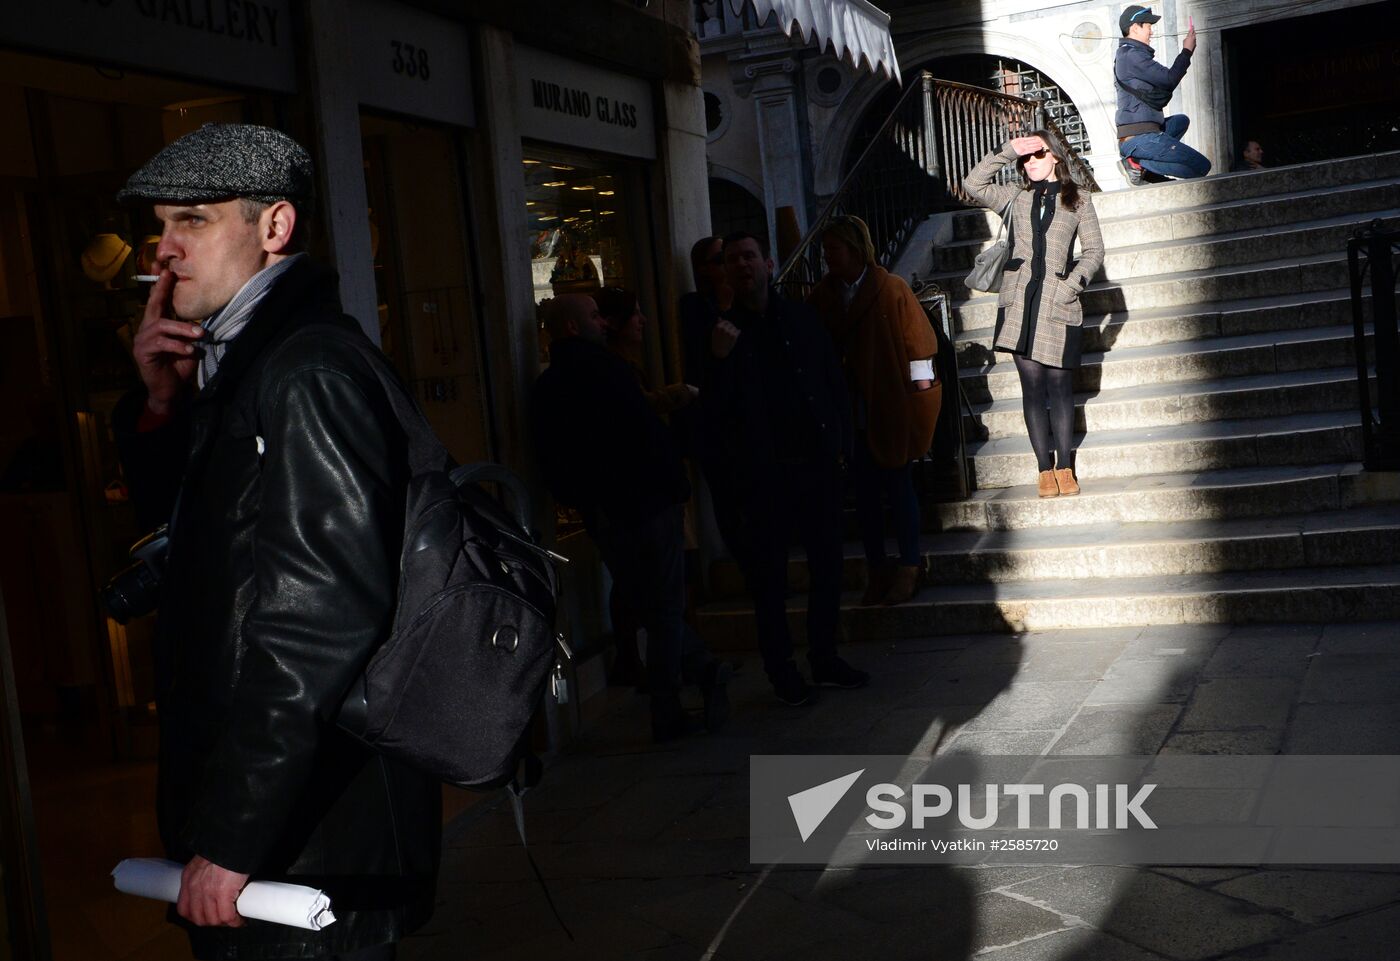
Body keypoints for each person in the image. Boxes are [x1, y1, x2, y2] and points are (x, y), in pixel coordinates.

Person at [111, 124, 439, 960]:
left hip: (303, 844)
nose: (165, 251)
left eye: (192, 220)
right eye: (160, 226)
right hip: (276, 823)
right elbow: (205, 554)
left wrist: (231, 836)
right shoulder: (242, 366)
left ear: (274, 227)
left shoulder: (306, 371)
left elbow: (317, 620)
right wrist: (158, 409)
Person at [530, 293, 728, 741]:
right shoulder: (608, 371)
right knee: (663, 606)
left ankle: (698, 674)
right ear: (574, 328)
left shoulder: (549, 386)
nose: (605, 322)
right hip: (646, 504)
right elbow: (647, 436)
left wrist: (582, 501)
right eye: (595, 316)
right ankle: (677, 696)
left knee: (649, 603)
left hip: (604, 514)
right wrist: (675, 489)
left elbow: (552, 457)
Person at [704, 231, 868, 706]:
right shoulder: (719, 333)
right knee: (769, 584)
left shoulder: (799, 316)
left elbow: (831, 380)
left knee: (828, 569)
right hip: (761, 479)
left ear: (770, 264)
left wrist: (841, 445)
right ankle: (782, 672)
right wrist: (717, 360)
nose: (742, 265)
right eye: (732, 259)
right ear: (725, 272)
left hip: (814, 467)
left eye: (749, 256)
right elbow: (709, 411)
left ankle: (825, 657)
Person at [963, 132, 1106, 498]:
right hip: (1020, 307)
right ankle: (1044, 469)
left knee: (1060, 387)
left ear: (1055, 156)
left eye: (1037, 154)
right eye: (1025, 159)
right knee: (1032, 389)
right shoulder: (1015, 197)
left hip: (1058, 303)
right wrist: (1009, 150)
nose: (1030, 163)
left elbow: (1093, 250)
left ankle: (1064, 466)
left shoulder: (1079, 200)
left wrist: (1072, 284)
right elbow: (973, 183)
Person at [808, 215, 941, 607]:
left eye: (833, 249)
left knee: (899, 488)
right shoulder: (822, 297)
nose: (827, 257)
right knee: (864, 497)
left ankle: (910, 565)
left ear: (852, 248)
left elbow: (919, 347)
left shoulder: (891, 289)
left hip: (890, 404)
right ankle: (878, 569)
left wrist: (921, 401)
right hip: (848, 410)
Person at [1114, 4, 1210, 185]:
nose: (1151, 32)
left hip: (1147, 130)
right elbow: (1169, 79)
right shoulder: (1132, 55)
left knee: (1181, 121)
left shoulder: (1131, 55)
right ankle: (1137, 162)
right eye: (1148, 27)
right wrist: (1187, 51)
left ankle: (1145, 168)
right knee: (1201, 166)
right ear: (1135, 28)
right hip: (1139, 136)